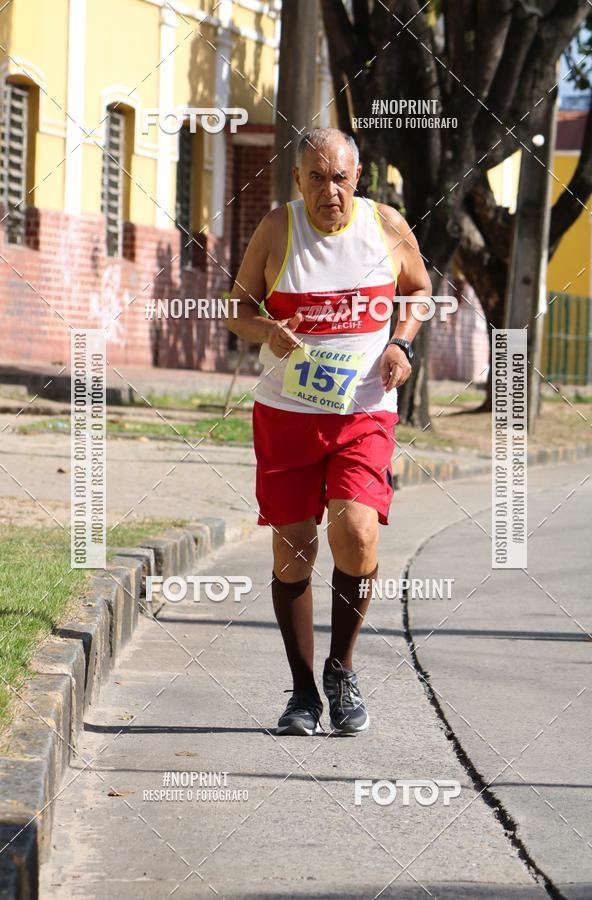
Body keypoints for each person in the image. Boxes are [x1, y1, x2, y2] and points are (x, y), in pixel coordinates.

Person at [226, 127, 431, 735]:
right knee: (294, 550)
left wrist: (401, 341)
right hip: (287, 415)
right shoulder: (276, 229)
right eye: (316, 178)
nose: (329, 190)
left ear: (357, 178)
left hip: (363, 411)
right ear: (298, 182)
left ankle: (342, 670)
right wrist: (265, 331)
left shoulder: (387, 226)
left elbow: (419, 291)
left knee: (357, 532)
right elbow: (237, 308)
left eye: (339, 177)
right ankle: (302, 693)